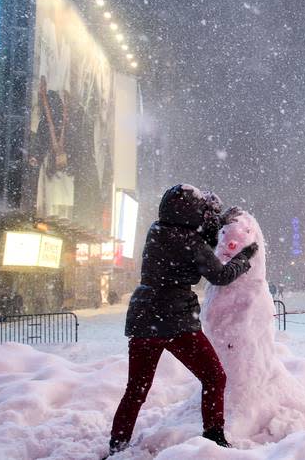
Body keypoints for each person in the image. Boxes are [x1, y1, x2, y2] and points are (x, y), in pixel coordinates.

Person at [108, 185, 258, 455]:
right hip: (175, 319)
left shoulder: (157, 231)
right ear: (192, 213)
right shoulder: (191, 242)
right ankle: (214, 438)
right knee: (214, 377)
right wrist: (244, 259)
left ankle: (117, 445)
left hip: (143, 316)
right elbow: (220, 275)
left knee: (136, 389)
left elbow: (187, 252)